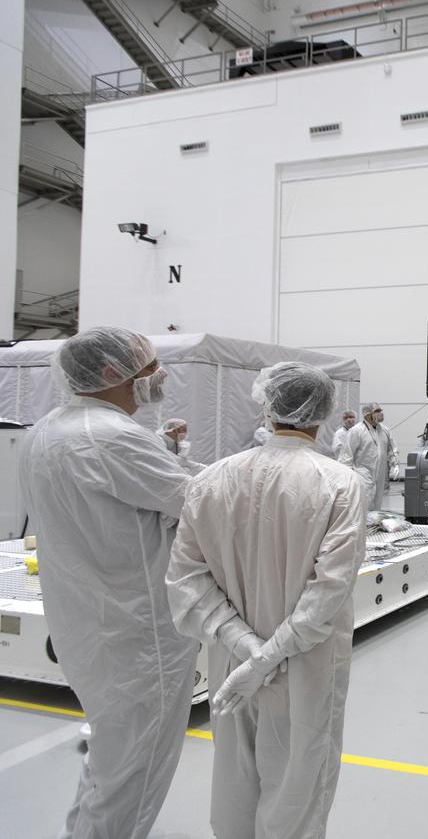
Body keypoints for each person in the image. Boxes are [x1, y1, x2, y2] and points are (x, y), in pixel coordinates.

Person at [167, 362, 366, 839]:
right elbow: (329, 591)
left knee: (234, 776)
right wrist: (268, 656)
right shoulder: (340, 484)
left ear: (266, 404)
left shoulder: (212, 479)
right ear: (324, 411)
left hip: (230, 660)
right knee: (299, 781)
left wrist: (244, 648)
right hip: (305, 662)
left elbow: (186, 578)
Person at [17, 326, 197, 839]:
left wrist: (163, 450)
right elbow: (195, 502)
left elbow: (116, 493)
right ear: (116, 374)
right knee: (134, 772)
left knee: (112, 761)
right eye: (148, 369)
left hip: (87, 622)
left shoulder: (49, 429)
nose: (157, 379)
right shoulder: (113, 438)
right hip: (139, 632)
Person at [344, 402, 398, 511]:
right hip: (363, 475)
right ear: (367, 414)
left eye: (381, 410)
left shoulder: (385, 431)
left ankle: (373, 526)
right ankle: (362, 527)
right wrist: (347, 477)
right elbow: (346, 455)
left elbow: (392, 449)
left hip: (380, 475)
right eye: (377, 411)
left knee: (377, 504)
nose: (381, 413)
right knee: (363, 505)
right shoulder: (356, 431)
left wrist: (395, 464)